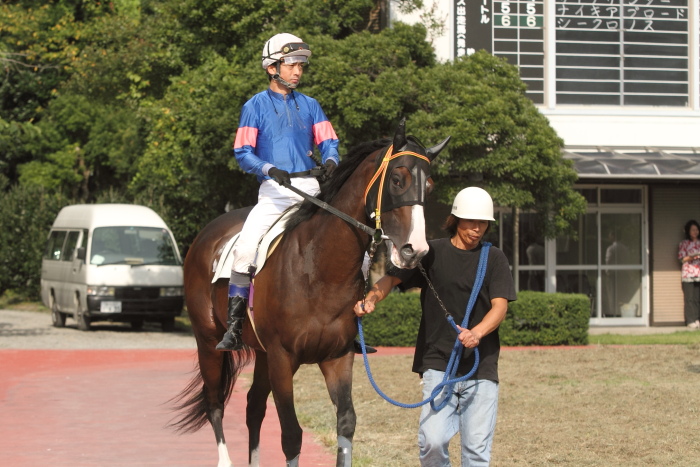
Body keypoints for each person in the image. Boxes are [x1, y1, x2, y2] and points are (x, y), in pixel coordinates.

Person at [354, 187, 516, 466]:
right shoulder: (432, 252)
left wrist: (477, 333)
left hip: (482, 367)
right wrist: (371, 298)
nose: (476, 229)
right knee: (432, 441)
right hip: (438, 364)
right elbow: (392, 279)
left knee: (476, 452)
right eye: (470, 222)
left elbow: (500, 306)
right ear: (455, 219)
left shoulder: (494, 258)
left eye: (482, 223)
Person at [216, 33, 340, 351]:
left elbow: (329, 141)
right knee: (245, 249)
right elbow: (243, 152)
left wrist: (330, 159)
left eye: (301, 65)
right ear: (272, 67)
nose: (298, 70)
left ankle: (351, 321)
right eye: (291, 64)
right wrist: (268, 169)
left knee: (348, 241)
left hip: (311, 188)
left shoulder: (312, 106)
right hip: (273, 192)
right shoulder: (253, 106)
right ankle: (234, 326)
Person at [678, 220, 700, 329]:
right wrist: (693, 256)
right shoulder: (684, 243)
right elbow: (682, 259)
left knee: (697, 298)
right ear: (688, 231)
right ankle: (690, 320)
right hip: (688, 273)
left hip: (699, 273)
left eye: (696, 230)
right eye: (692, 230)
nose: (695, 232)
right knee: (689, 298)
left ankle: (697, 319)